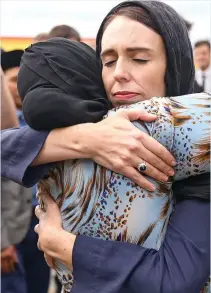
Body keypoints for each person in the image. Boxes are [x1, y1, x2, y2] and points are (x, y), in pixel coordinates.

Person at [1, 1, 210, 292]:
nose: (119, 73)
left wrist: (66, 246)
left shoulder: (198, 144)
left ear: (174, 63)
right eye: (108, 61)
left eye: (139, 59)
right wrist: (87, 139)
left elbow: (174, 277)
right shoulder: (92, 122)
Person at [1, 50, 50, 293]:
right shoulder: (4, 128)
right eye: (12, 80)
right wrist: (2, 243)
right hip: (8, 233)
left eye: (24, 80)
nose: (20, 87)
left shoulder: (42, 123)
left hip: (38, 225)